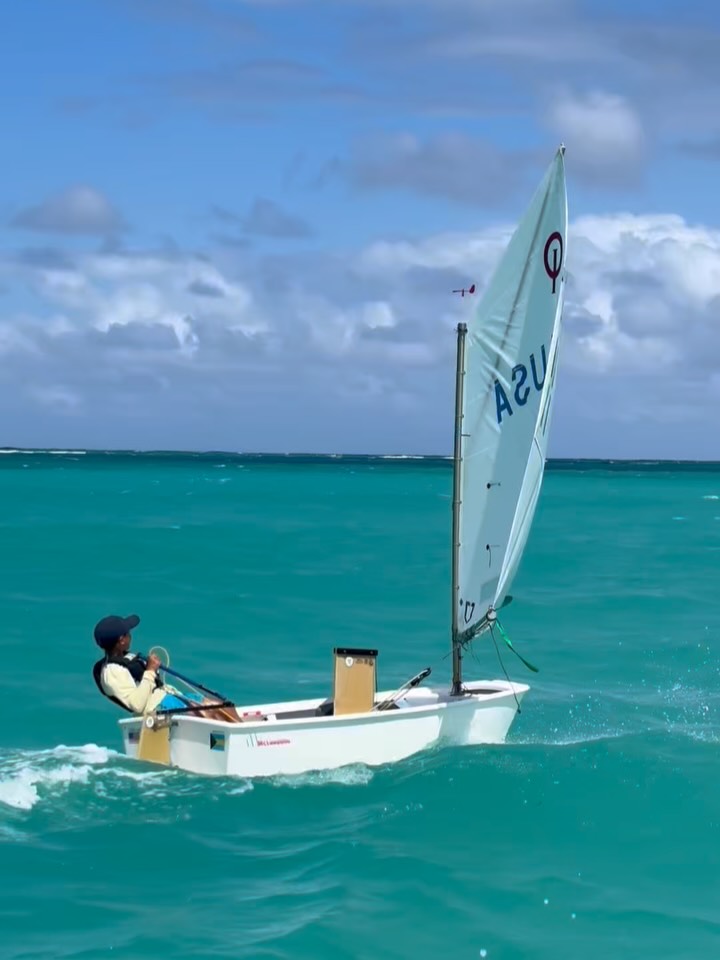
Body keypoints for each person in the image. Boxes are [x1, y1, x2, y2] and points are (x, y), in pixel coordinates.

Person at [92, 613, 241, 722]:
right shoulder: (111, 672)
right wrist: (150, 671)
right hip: (158, 709)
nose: (131, 635)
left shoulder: (127, 658)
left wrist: (152, 668)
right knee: (210, 715)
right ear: (121, 640)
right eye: (128, 633)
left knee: (221, 706)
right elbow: (137, 705)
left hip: (168, 698)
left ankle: (243, 734)